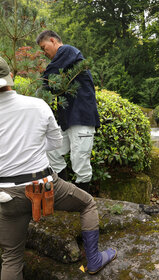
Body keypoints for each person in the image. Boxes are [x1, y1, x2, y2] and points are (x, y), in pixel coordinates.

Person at [0, 57, 116, 280]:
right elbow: (55, 144)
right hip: (42, 185)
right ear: (11, 78)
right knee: (87, 204)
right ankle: (93, 260)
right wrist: (30, 148)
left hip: (5, 194)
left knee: (12, 258)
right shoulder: (36, 105)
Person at [36, 30, 100, 193]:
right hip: (68, 120)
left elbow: (48, 78)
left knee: (80, 162)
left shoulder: (67, 51)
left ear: (53, 40)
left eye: (44, 47)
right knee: (52, 151)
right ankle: (65, 192)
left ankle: (84, 203)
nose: (45, 53)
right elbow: (51, 83)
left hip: (82, 118)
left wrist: (35, 93)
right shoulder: (65, 61)